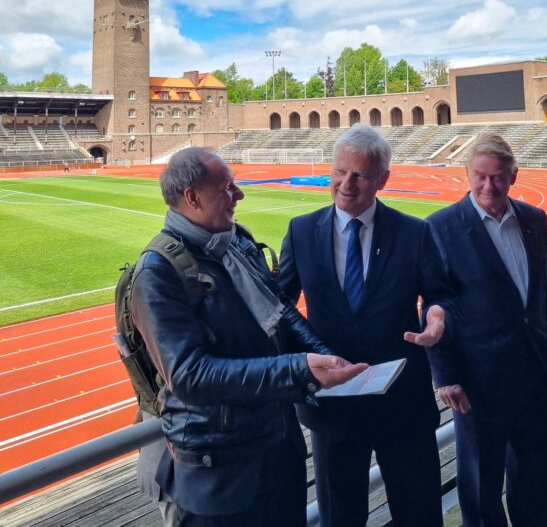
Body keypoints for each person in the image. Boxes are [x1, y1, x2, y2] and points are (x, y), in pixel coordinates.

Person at [131, 147, 367, 527]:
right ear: (192, 197)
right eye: (227, 187)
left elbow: (280, 311)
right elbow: (190, 375)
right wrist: (298, 369)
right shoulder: (157, 273)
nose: (239, 195)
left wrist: (323, 354)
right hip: (219, 473)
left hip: (275, 449)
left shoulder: (236, 241)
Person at [278, 124, 458, 527]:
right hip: (333, 405)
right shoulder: (302, 231)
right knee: (341, 518)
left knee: (420, 514)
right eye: (340, 171)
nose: (346, 183)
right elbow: (278, 308)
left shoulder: (415, 231)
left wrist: (438, 314)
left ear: (382, 180)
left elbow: (441, 294)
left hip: (402, 403)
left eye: (360, 174)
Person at [426, 133, 547, 527]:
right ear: (467, 174)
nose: (488, 187)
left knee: (542, 482)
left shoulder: (533, 219)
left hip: (536, 377)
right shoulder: (441, 227)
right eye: (479, 177)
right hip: (479, 384)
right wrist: (445, 376)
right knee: (481, 489)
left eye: (497, 178)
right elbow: (433, 306)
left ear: (513, 175)